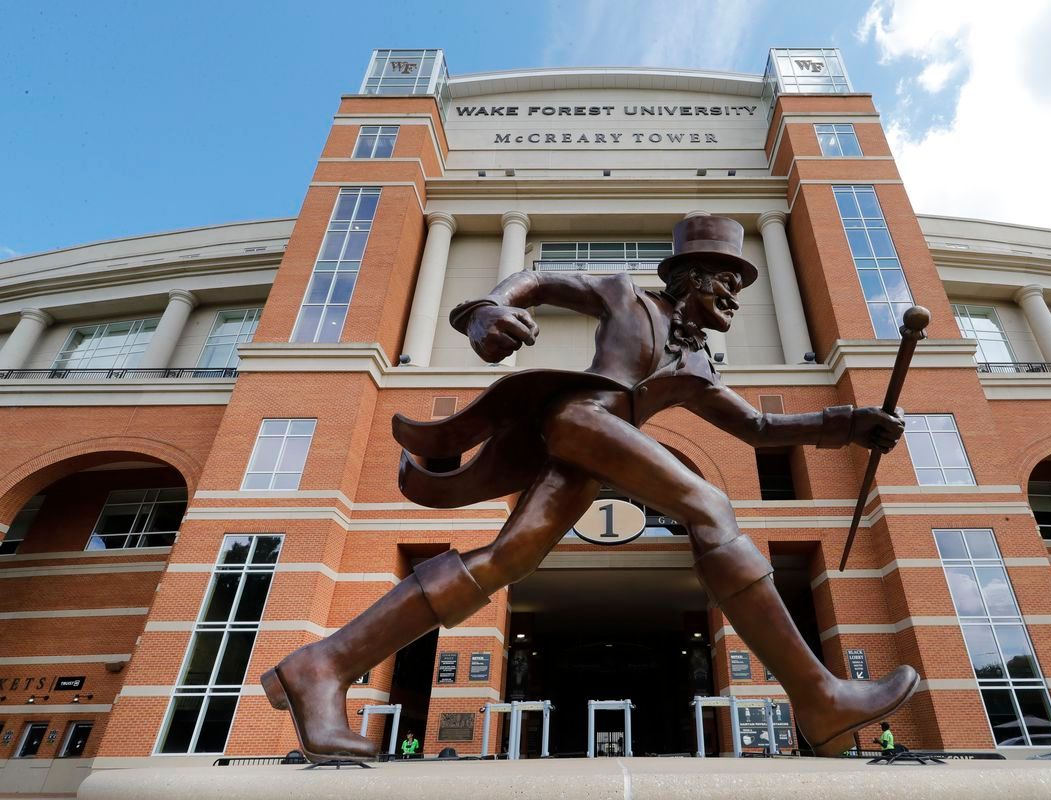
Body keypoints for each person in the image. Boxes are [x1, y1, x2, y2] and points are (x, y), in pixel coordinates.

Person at [261, 215, 919, 763]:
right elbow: (541, 278)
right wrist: (488, 310)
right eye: (727, 281)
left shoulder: (695, 361)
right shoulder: (621, 294)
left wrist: (848, 424)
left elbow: (757, 427)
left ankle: (322, 664)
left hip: (592, 453)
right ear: (692, 277)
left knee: (503, 561)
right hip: (580, 421)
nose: (735, 296)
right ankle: (820, 697)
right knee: (711, 507)